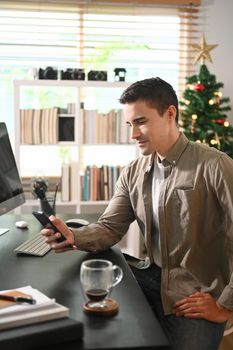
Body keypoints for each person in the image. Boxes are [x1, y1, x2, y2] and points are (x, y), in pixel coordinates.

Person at [42, 77, 233, 350]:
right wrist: (72, 235)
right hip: (148, 276)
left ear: (170, 114)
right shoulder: (133, 171)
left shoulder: (215, 166)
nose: (133, 134)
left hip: (193, 294)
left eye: (141, 121)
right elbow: (110, 227)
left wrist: (225, 306)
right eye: (130, 124)